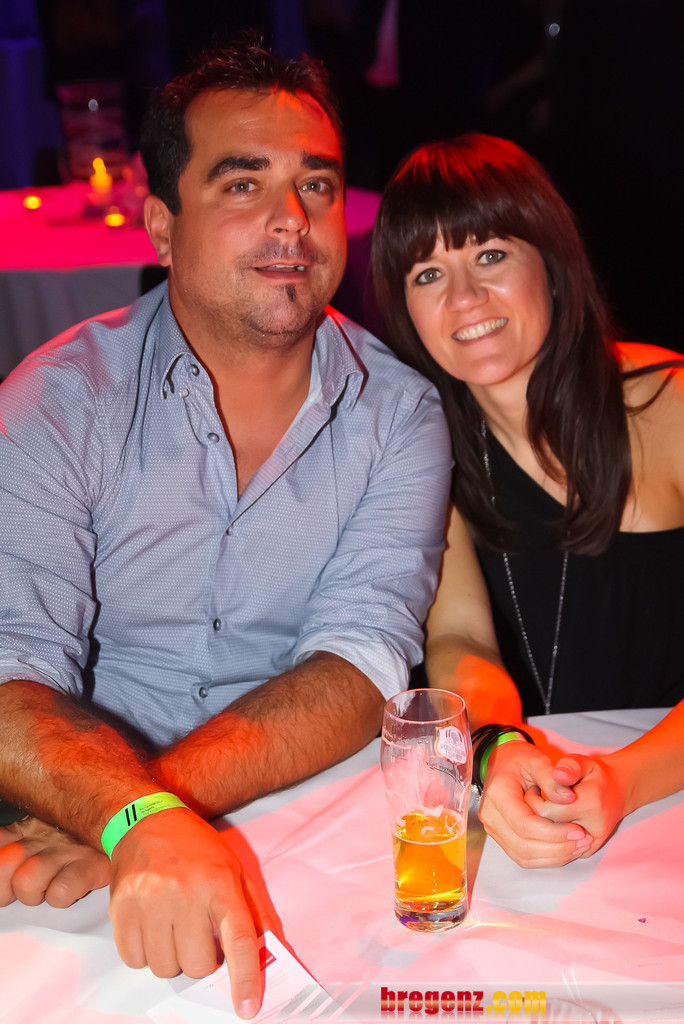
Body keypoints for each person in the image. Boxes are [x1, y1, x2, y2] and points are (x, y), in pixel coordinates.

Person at [0, 42, 451, 1018]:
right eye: (243, 183)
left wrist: (140, 810)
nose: (293, 219)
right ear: (163, 225)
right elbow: (9, 671)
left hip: (296, 819)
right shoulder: (55, 404)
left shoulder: (402, 415)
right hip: (65, 825)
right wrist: (130, 817)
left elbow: (361, 659)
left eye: (315, 184)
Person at [371, 132, 684, 870]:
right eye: (427, 274)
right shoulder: (427, 447)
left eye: (489, 255)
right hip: (543, 804)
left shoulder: (667, 403)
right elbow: (462, 641)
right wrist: (498, 749)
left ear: (552, 262)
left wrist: (624, 779)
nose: (464, 299)